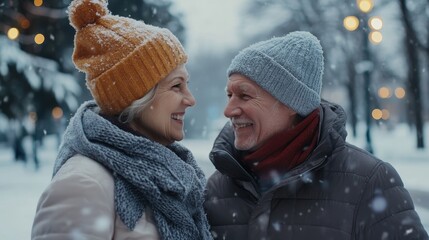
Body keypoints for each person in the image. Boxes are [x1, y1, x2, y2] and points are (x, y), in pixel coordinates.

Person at [204, 31, 428, 239]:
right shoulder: (217, 188)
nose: (228, 110)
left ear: (292, 103)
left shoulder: (370, 182)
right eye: (229, 95)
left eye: (244, 95)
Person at [31, 0, 212, 239]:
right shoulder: (83, 184)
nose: (190, 99)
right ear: (137, 97)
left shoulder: (174, 174)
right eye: (177, 86)